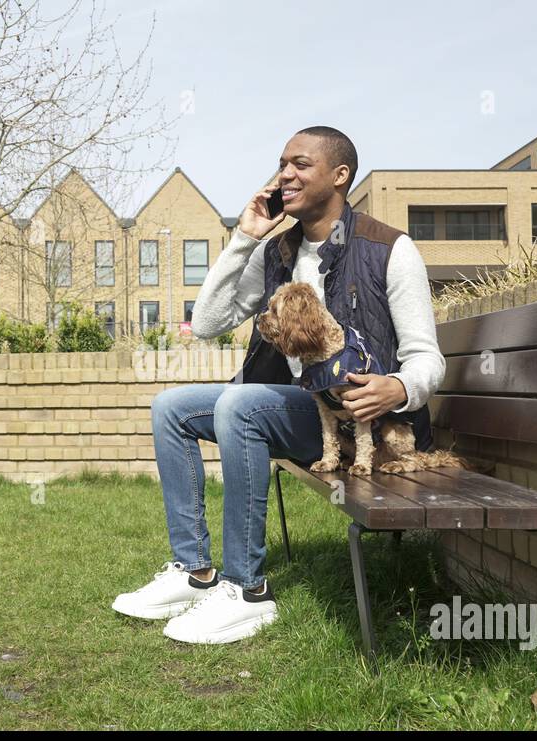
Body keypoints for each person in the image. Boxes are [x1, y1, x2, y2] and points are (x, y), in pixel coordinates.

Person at [111, 126, 446, 644]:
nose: (285, 174)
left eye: (300, 164)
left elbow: (427, 357)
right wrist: (246, 236)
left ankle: (247, 591)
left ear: (340, 176)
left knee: (241, 404)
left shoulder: (389, 249)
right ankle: (195, 571)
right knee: (170, 406)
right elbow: (207, 323)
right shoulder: (276, 253)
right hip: (298, 410)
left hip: (368, 426)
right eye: (281, 164)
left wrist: (398, 388)